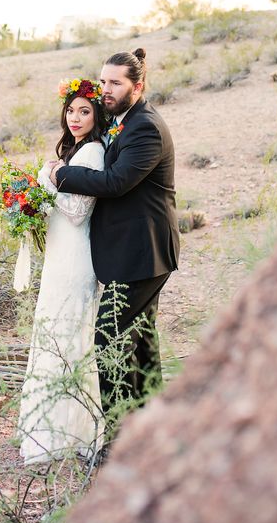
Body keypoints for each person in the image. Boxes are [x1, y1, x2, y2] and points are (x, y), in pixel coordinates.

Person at [50, 48, 180, 422]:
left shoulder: (146, 127)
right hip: (135, 251)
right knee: (140, 341)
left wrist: (63, 175)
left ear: (137, 86)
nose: (105, 89)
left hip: (143, 252)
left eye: (115, 83)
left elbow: (117, 182)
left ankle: (117, 433)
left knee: (109, 339)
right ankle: (149, 426)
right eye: (103, 81)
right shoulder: (123, 118)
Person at [17, 78, 108, 465]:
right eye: (71, 110)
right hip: (59, 256)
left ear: (96, 115)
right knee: (53, 330)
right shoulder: (74, 151)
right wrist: (29, 203)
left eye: (85, 111)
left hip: (76, 258)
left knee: (70, 334)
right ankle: (49, 428)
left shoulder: (93, 153)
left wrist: (51, 177)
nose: (75, 117)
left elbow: (76, 211)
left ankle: (72, 431)